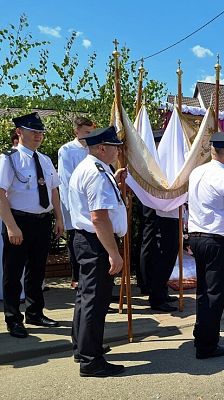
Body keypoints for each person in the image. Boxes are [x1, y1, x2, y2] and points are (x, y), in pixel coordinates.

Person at [69, 126, 126, 377]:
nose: (118, 151)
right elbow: (99, 217)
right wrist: (113, 253)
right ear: (102, 148)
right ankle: (91, 361)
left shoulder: (95, 169)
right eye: (114, 147)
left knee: (85, 297)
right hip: (96, 242)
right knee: (95, 300)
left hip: (88, 240)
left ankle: (84, 348)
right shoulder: (96, 173)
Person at [0, 113, 64, 339]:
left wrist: (59, 218)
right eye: (33, 131)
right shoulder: (9, 159)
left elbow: (53, 190)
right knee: (13, 272)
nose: (38, 135)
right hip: (19, 220)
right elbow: (0, 195)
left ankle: (35, 312)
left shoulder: (45, 160)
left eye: (40, 132)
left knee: (37, 270)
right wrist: (11, 226)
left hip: (42, 221)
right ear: (19, 132)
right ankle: (13, 318)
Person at [188, 132, 224, 359]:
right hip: (217, 241)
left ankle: (201, 333)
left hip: (197, 237)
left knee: (204, 292)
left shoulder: (196, 172)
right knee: (215, 295)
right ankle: (207, 344)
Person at [139, 130, 180, 312]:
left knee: (169, 254)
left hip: (170, 213)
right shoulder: (152, 165)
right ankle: (155, 295)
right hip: (159, 215)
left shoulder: (165, 162)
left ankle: (161, 290)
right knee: (160, 255)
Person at [58, 116, 95, 290]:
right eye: (86, 132)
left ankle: (91, 283)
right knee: (77, 244)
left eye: (91, 132)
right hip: (76, 205)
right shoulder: (66, 150)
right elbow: (66, 181)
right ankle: (78, 280)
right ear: (76, 131)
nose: (89, 136)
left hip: (93, 205)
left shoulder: (92, 149)